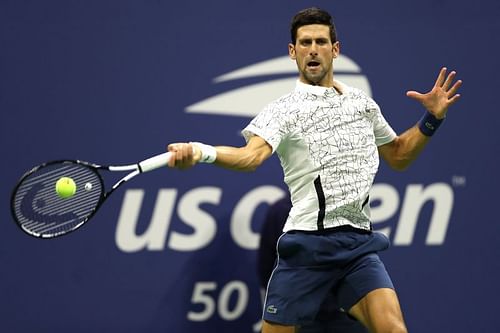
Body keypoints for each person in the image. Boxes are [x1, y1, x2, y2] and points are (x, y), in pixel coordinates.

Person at [167, 7, 462, 333]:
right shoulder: (283, 110)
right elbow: (249, 157)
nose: (313, 49)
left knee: (394, 329)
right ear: (293, 52)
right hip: (307, 250)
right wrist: (200, 151)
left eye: (321, 41)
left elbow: (399, 155)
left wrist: (432, 119)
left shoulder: (362, 104)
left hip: (357, 247)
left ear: (335, 49)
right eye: (304, 43)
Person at [258, 195, 368, 333]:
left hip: (342, 313)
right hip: (301, 314)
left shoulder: (347, 207)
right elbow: (267, 267)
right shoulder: (280, 211)